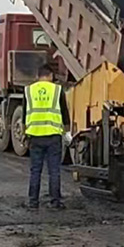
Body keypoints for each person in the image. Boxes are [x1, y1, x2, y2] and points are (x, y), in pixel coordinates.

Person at [26, 64, 70, 210]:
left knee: (35, 171)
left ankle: (33, 202)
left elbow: (25, 114)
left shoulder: (29, 90)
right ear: (51, 75)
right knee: (54, 171)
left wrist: (25, 135)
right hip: (53, 136)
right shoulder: (57, 90)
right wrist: (67, 133)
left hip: (35, 136)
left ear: (38, 76)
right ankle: (55, 202)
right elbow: (64, 113)